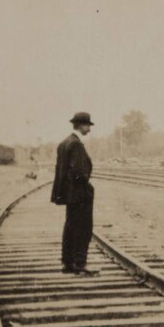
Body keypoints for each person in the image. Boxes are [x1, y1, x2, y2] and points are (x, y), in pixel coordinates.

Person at [50, 112, 98, 275]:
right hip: (80, 195)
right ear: (82, 125)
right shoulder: (76, 144)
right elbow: (78, 171)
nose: (89, 130)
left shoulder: (64, 143)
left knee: (70, 227)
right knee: (83, 228)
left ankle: (68, 263)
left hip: (69, 195)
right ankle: (80, 264)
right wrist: (86, 185)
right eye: (88, 126)